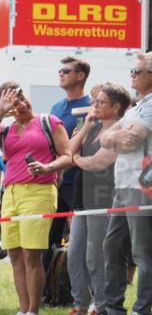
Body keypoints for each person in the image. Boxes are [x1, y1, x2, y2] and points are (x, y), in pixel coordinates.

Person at [0, 84, 71, 315]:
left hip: (39, 191)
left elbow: (67, 155)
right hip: (11, 193)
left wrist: (48, 167)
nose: (21, 104)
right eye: (14, 102)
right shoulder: (5, 128)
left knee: (32, 254)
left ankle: (33, 312)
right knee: (15, 254)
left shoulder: (49, 122)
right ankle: (22, 310)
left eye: (21, 98)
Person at [84, 54, 152, 315]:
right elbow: (109, 138)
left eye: (137, 70)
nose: (132, 74)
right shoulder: (138, 107)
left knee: (141, 251)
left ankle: (142, 313)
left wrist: (115, 135)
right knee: (111, 246)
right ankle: (111, 310)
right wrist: (114, 134)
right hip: (122, 185)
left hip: (141, 185)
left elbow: (131, 137)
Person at [69, 82, 130, 315]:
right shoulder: (93, 128)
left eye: (99, 103)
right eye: (94, 102)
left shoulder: (118, 130)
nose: (94, 106)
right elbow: (68, 150)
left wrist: (76, 160)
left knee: (98, 256)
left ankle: (104, 307)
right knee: (78, 255)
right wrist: (85, 129)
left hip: (104, 198)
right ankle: (87, 304)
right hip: (84, 199)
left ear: (116, 107)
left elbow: (96, 162)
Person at [48, 57, 92, 280]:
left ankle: (80, 292)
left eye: (66, 70)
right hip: (54, 181)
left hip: (79, 181)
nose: (61, 74)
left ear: (81, 75)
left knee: (78, 240)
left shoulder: (92, 106)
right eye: (60, 70)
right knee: (48, 238)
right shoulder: (56, 107)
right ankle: (50, 290)